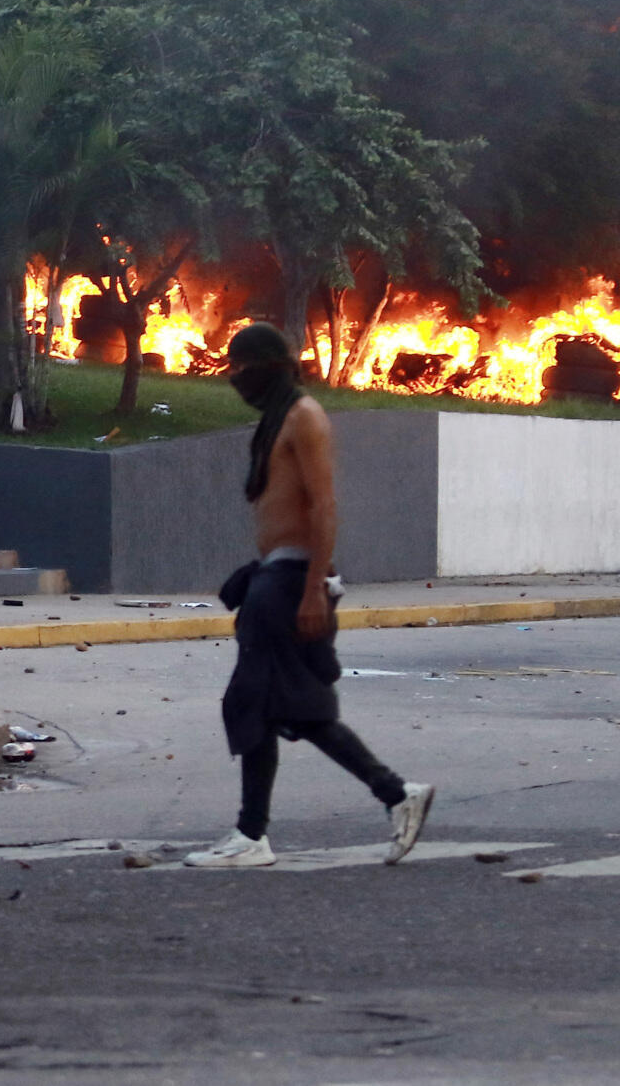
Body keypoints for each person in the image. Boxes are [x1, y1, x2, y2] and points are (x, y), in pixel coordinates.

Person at [185, 322, 435, 868]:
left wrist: (314, 589)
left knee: (261, 701)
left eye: (242, 369)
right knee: (287, 707)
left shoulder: (303, 416)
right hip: (274, 575)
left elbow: (324, 506)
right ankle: (391, 795)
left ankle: (256, 837)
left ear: (269, 367)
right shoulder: (278, 421)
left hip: (293, 579)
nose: (235, 380)